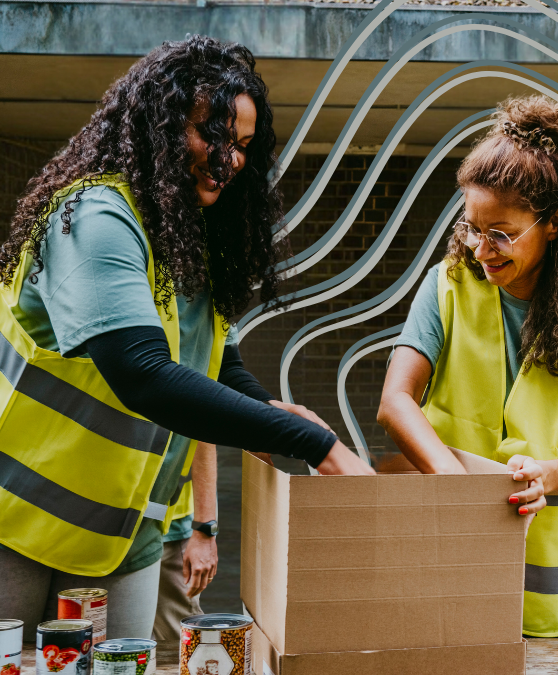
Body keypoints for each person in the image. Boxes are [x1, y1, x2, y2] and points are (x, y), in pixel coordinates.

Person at [0, 35, 374, 643]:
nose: (228, 159)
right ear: (159, 124)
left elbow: (212, 357)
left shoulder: (184, 238)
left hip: (127, 535)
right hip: (15, 522)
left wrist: (267, 411)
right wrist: (315, 443)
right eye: (212, 134)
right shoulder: (96, 216)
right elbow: (143, 371)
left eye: (243, 146)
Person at [377, 95, 558, 639]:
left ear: (554, 225)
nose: (482, 247)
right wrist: (456, 487)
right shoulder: (447, 285)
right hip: (443, 551)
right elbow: (395, 402)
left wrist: (546, 477)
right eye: (471, 227)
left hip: (545, 577)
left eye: (502, 233)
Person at [153, 442, 216, 641]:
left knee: (177, 639)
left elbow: (203, 436)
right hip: (98, 522)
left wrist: (204, 529)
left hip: (170, 523)